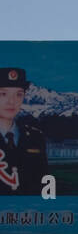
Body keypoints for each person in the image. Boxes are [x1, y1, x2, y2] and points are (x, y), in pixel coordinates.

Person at [0, 67, 50, 196]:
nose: (12, 101)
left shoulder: (35, 137)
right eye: (3, 94)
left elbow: (45, 181)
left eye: (18, 94)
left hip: (28, 212)